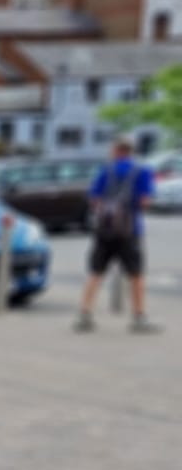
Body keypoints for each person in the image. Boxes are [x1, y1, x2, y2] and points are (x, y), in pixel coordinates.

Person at [74, 137, 161, 332]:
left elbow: (94, 198)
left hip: (105, 229)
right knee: (136, 274)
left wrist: (108, 209)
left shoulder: (106, 170)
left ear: (117, 150)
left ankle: (85, 314)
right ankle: (139, 317)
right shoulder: (143, 171)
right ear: (131, 151)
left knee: (96, 271)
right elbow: (145, 201)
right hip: (130, 230)